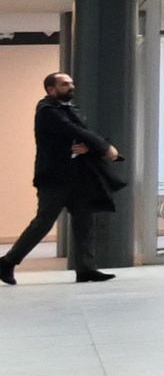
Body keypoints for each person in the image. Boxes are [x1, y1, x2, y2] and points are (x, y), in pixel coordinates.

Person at [1, 70, 122, 284]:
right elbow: (70, 130)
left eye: (71, 83)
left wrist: (90, 148)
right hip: (54, 178)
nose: (71, 87)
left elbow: (80, 136)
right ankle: (7, 262)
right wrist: (105, 147)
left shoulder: (70, 110)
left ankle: (86, 269)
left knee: (85, 220)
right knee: (43, 223)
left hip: (77, 177)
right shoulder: (47, 110)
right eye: (65, 84)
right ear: (51, 89)